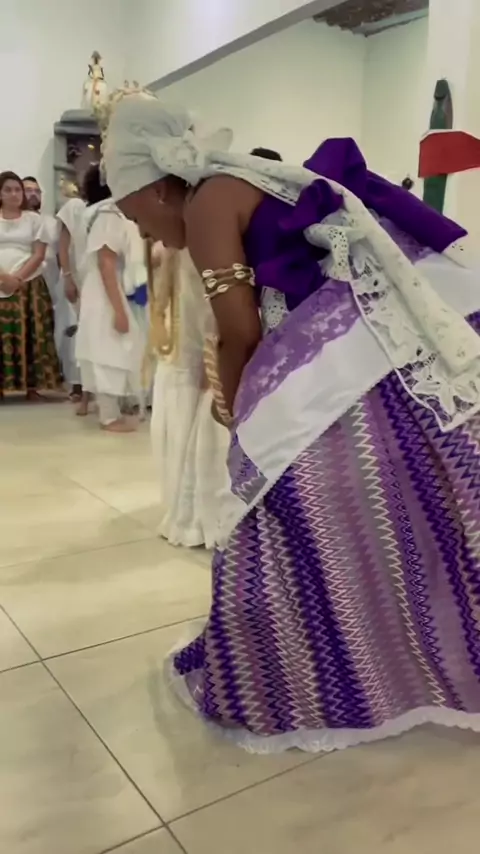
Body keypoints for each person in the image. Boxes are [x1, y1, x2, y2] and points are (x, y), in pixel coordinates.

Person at [103, 90, 480, 754]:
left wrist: (237, 414)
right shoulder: (239, 181)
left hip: (352, 365)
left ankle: (308, 680)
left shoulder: (207, 204)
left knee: (286, 516)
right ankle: (399, 658)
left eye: (136, 213)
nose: (143, 232)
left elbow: (240, 330)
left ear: (158, 189)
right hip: (376, 353)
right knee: (419, 511)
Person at [146, 238, 229, 547]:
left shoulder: (195, 247)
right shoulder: (179, 251)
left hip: (204, 355)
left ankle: (203, 511)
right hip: (188, 355)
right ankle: (194, 508)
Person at [75, 163, 144, 432]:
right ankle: (109, 416)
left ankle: (116, 410)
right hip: (107, 288)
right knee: (109, 349)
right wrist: (119, 310)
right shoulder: (109, 213)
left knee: (114, 347)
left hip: (109, 286)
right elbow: (106, 261)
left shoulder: (111, 211)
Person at [0, 171, 62, 400]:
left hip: (29, 283)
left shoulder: (34, 220)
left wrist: (16, 279)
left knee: (32, 334)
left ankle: (32, 388)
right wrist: (3, 278)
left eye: (17, 189)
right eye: (8, 190)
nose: (14, 194)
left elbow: (38, 254)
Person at [57, 193, 89, 410]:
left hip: (96, 277)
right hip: (75, 277)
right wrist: (68, 276)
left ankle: (94, 386)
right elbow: (64, 244)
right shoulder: (75, 206)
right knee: (73, 330)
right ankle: (77, 383)